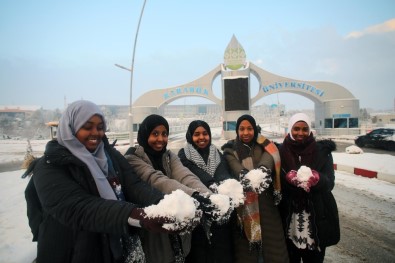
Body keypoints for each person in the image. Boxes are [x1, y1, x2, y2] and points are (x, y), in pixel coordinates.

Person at [27, 100, 174, 263]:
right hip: (73, 252)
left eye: (100, 127)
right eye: (87, 127)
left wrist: (168, 204)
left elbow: (134, 186)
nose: (95, 133)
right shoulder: (49, 165)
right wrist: (133, 214)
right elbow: (78, 207)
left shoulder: (109, 156)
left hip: (114, 247)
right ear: (71, 127)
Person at [125, 114, 220, 263]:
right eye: (155, 134)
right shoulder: (133, 158)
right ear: (144, 135)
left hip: (176, 233)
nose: (161, 139)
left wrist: (208, 196)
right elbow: (156, 180)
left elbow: (185, 176)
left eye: (164, 134)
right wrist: (193, 195)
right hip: (153, 231)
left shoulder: (169, 156)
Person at [221, 114, 289, 263]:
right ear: (237, 130)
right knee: (247, 251)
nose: (246, 133)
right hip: (244, 208)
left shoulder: (266, 145)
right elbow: (235, 166)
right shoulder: (230, 149)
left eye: (249, 128)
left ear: (255, 129)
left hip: (267, 206)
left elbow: (269, 158)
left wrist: (263, 171)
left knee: (273, 249)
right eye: (242, 129)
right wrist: (246, 176)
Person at [278, 113, 340, 262]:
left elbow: (329, 183)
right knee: (290, 257)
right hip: (289, 217)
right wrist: (287, 179)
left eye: (305, 129)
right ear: (290, 129)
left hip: (316, 217)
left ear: (310, 130)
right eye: (296, 129)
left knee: (314, 259)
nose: (300, 133)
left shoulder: (322, 151)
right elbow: (276, 181)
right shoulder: (280, 151)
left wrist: (317, 179)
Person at [177, 120, 234, 263]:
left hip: (218, 211)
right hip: (198, 210)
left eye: (205, 133)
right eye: (197, 134)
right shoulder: (183, 154)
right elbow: (192, 171)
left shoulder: (216, 152)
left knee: (221, 251)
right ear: (190, 136)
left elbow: (222, 170)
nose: (202, 137)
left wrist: (225, 185)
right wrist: (211, 184)